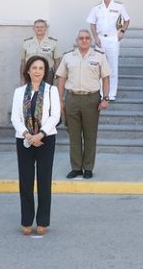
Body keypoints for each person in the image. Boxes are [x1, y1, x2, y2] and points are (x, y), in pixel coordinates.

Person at [11, 56, 61, 236]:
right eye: (34, 68)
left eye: (41, 68)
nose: (38, 71)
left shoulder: (51, 90)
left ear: (45, 71)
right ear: (28, 71)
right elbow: (15, 118)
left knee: (44, 179)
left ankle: (42, 221)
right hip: (24, 139)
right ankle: (26, 220)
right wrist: (27, 135)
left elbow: (55, 116)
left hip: (45, 139)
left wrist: (40, 134)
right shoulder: (19, 92)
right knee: (25, 180)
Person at [56, 30, 110, 179]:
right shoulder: (68, 57)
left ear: (91, 40)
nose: (84, 40)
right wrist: (60, 100)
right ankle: (76, 167)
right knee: (74, 135)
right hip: (72, 98)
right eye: (81, 38)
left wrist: (105, 98)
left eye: (87, 38)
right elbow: (61, 79)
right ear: (77, 40)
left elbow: (106, 78)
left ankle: (88, 168)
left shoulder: (99, 56)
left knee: (90, 135)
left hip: (91, 99)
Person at [87, 0, 130, 101]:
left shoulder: (119, 6)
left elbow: (127, 20)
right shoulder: (96, 8)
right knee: (99, 65)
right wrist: (95, 37)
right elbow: (92, 23)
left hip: (113, 39)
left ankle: (111, 93)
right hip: (100, 39)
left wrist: (122, 31)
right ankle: (101, 92)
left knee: (112, 66)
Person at [20, 19, 62, 84]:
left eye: (42, 27)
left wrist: (56, 78)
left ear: (46, 28)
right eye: (37, 27)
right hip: (30, 73)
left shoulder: (53, 42)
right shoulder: (26, 43)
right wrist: (22, 78)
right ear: (33, 28)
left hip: (47, 73)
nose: (39, 29)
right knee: (31, 93)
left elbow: (57, 62)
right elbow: (23, 62)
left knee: (46, 93)